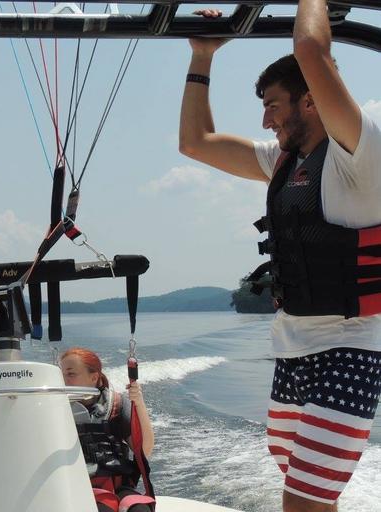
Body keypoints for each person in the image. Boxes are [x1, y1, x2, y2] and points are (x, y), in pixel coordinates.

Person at [178, 2, 381, 511]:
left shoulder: (361, 154)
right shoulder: (282, 161)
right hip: (290, 354)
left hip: (350, 353)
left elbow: (311, 48)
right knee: (310, 497)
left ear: (310, 100)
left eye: (272, 105)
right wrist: (202, 56)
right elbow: (195, 143)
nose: (265, 119)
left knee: (302, 504)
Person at [60, 347, 155, 512]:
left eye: (70, 374)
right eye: (61, 375)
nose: (63, 380)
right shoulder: (55, 408)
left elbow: (144, 449)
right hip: (80, 488)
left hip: (120, 486)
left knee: (140, 510)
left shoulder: (116, 404)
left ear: (94, 377)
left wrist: (139, 403)